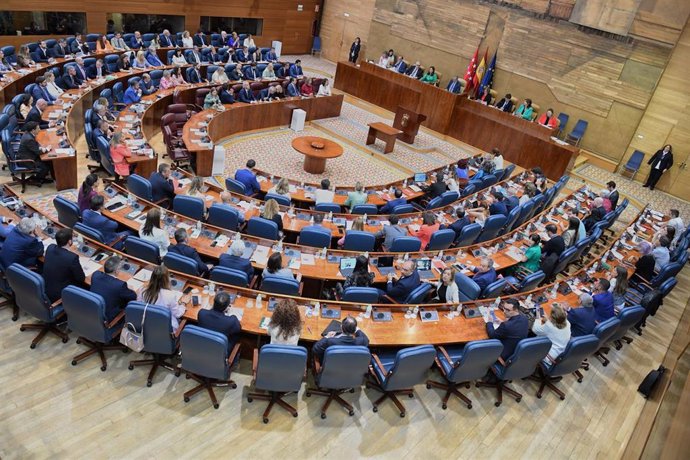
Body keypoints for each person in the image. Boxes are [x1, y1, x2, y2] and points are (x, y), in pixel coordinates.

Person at [42, 228, 86, 302]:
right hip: (60, 294)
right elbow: (81, 278)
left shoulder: (50, 247)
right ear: (69, 241)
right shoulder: (72, 257)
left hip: (46, 286)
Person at [90, 256, 138, 322]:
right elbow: (133, 297)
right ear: (116, 271)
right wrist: (129, 289)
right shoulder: (120, 285)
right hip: (108, 317)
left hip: (93, 311)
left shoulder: (96, 274)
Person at [138, 265, 185, 330]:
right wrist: (183, 304)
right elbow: (178, 314)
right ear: (166, 279)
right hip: (166, 329)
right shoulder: (170, 296)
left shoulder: (142, 290)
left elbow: (139, 306)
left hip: (147, 325)